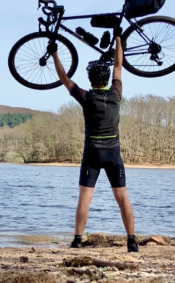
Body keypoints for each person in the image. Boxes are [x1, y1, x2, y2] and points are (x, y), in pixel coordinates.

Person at [48, 32, 138, 253]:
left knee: (85, 198)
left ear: (90, 80)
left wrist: (54, 54)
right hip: (113, 154)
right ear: (106, 81)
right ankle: (132, 241)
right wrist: (118, 39)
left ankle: (78, 240)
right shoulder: (116, 94)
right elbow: (118, 65)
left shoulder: (86, 97)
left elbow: (63, 78)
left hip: (92, 154)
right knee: (123, 197)